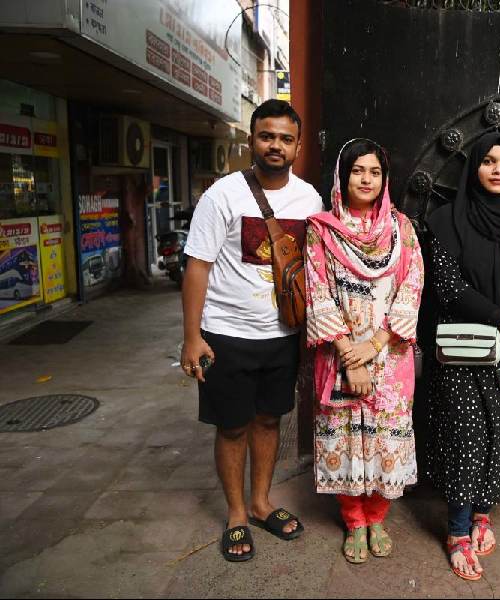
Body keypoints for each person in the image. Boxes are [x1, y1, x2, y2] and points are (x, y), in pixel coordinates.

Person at [181, 99, 323, 562]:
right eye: (267, 136)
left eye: (285, 138)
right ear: (251, 141)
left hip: (282, 335)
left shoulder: (309, 200)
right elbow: (197, 267)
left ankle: (262, 503)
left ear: (297, 146)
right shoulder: (222, 195)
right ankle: (237, 513)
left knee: (268, 420)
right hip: (225, 333)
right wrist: (192, 336)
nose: (275, 145)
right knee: (232, 426)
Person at [426, 131, 500, 581]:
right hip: (462, 351)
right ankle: (456, 531)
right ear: (473, 168)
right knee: (466, 439)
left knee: (499, 436)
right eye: (488, 161)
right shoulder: (445, 220)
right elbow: (450, 289)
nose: (498, 169)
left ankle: (481, 515)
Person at [304, 138, 424, 564]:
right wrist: (348, 354)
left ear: (384, 178)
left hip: (389, 355)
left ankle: (377, 516)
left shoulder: (401, 229)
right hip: (339, 355)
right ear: (343, 176)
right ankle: (353, 520)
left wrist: (373, 347)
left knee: (385, 439)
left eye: (374, 172)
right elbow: (317, 292)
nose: (367, 179)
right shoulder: (320, 230)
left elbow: (411, 291)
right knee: (347, 437)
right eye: (358, 171)